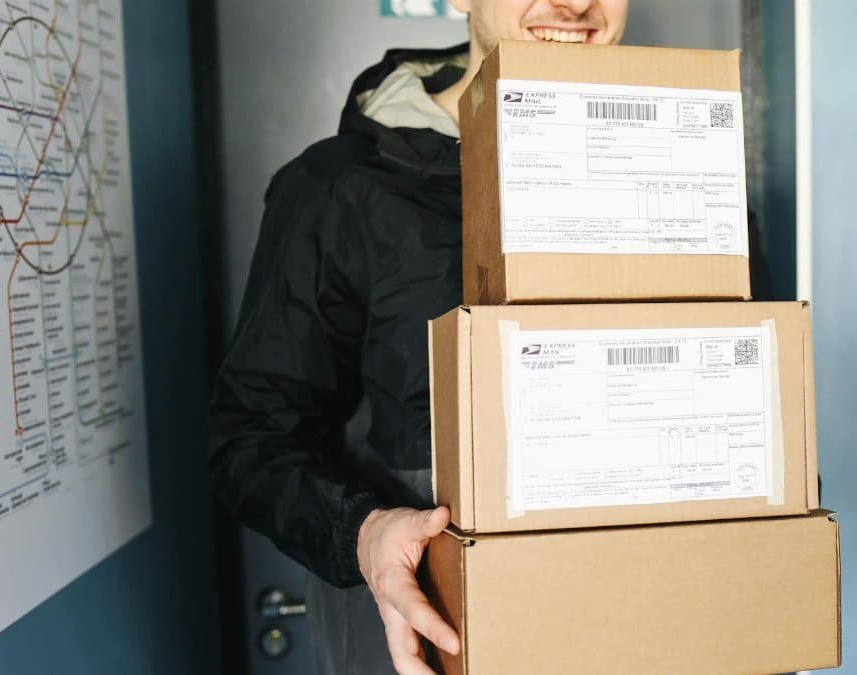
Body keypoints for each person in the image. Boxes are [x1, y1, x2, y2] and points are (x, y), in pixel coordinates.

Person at [208, 1, 632, 674]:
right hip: (419, 640)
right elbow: (251, 438)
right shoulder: (338, 189)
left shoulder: (692, 186)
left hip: (631, 629)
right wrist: (366, 531)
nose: (575, 5)